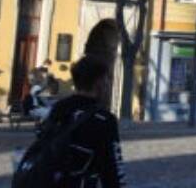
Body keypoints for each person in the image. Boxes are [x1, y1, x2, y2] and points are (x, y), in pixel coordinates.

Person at [12, 55, 125, 188]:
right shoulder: (103, 119)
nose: (108, 84)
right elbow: (112, 169)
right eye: (106, 79)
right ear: (98, 82)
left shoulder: (59, 109)